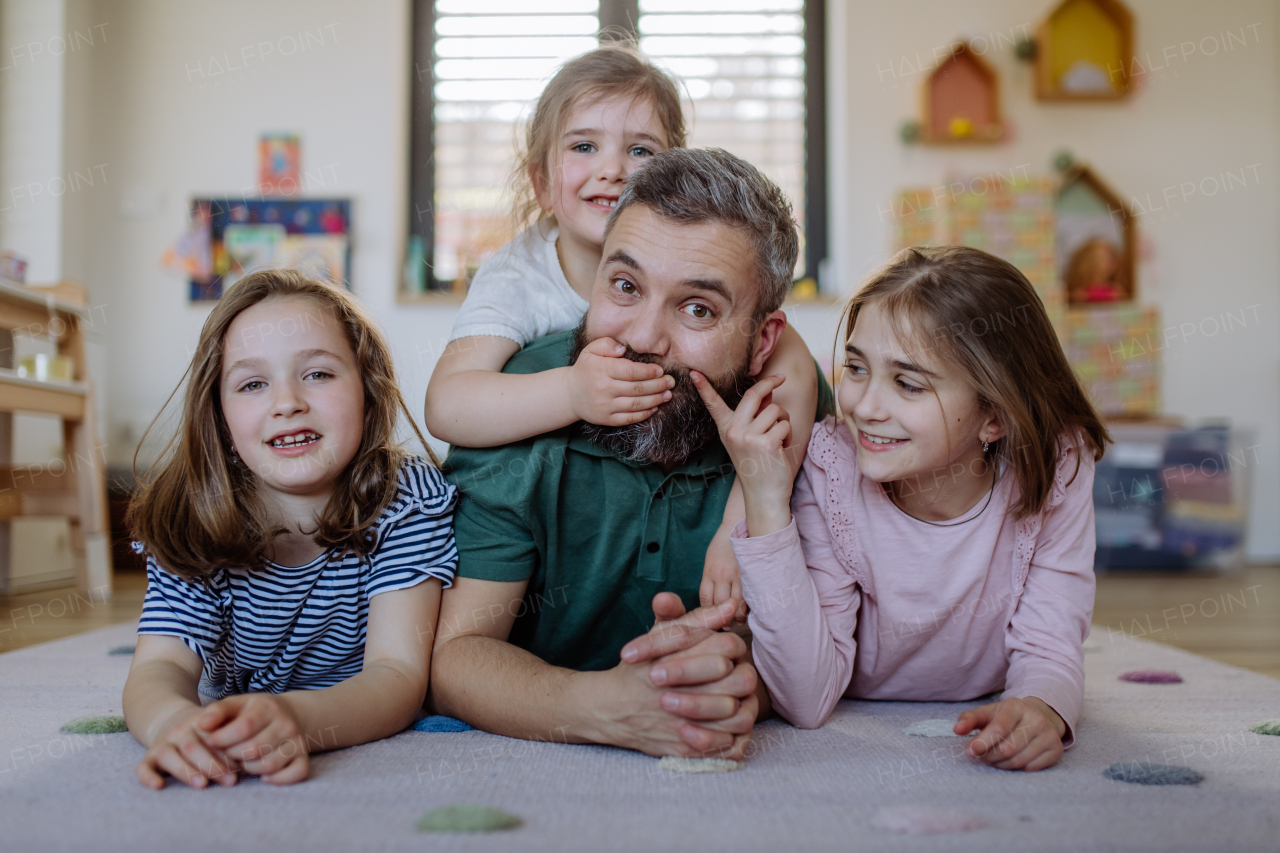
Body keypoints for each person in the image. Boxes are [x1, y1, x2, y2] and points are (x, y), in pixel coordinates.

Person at [430, 147, 832, 759]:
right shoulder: (517, 407)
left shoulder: (792, 426)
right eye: (624, 286)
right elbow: (457, 655)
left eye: (698, 308)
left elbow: (818, 640)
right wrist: (604, 709)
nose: (643, 338)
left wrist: (730, 679)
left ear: (763, 342)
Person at [423, 44, 818, 619]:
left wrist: (742, 522)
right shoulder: (518, 275)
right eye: (584, 146)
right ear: (541, 182)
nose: (612, 169)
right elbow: (447, 402)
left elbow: (795, 372)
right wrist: (572, 392)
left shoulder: (702, 267)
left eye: (640, 150)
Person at [699, 246, 1108, 771]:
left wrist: (1041, 708)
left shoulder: (1056, 466)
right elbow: (805, 696)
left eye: (908, 383)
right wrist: (764, 499)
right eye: (856, 368)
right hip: (847, 691)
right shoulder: (831, 465)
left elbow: (1052, 638)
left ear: (995, 418)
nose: (864, 407)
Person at [123, 271, 458, 789]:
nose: (286, 403)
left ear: (368, 391)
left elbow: (398, 677)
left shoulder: (406, 499)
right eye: (253, 384)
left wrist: (294, 721)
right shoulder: (190, 514)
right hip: (233, 690)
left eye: (318, 374)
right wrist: (172, 722)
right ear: (220, 417)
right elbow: (158, 668)